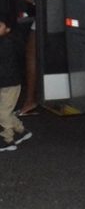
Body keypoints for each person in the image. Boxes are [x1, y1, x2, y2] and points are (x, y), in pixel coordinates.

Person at [0, 12, 32, 151]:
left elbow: (5, 67)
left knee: (2, 112)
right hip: (8, 83)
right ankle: (21, 130)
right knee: (5, 110)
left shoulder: (6, 43)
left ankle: (7, 140)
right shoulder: (8, 41)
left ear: (8, 29)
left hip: (9, 84)